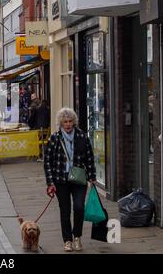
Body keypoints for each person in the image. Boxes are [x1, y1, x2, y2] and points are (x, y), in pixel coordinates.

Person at [44, 108, 97, 252]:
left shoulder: (82, 136)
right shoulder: (55, 138)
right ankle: (67, 240)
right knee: (65, 211)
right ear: (60, 123)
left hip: (79, 179)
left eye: (70, 121)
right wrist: (50, 183)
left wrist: (92, 177)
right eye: (65, 122)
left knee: (79, 207)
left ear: (74, 122)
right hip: (61, 180)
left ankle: (77, 237)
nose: (67, 124)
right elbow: (47, 162)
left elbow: (89, 158)